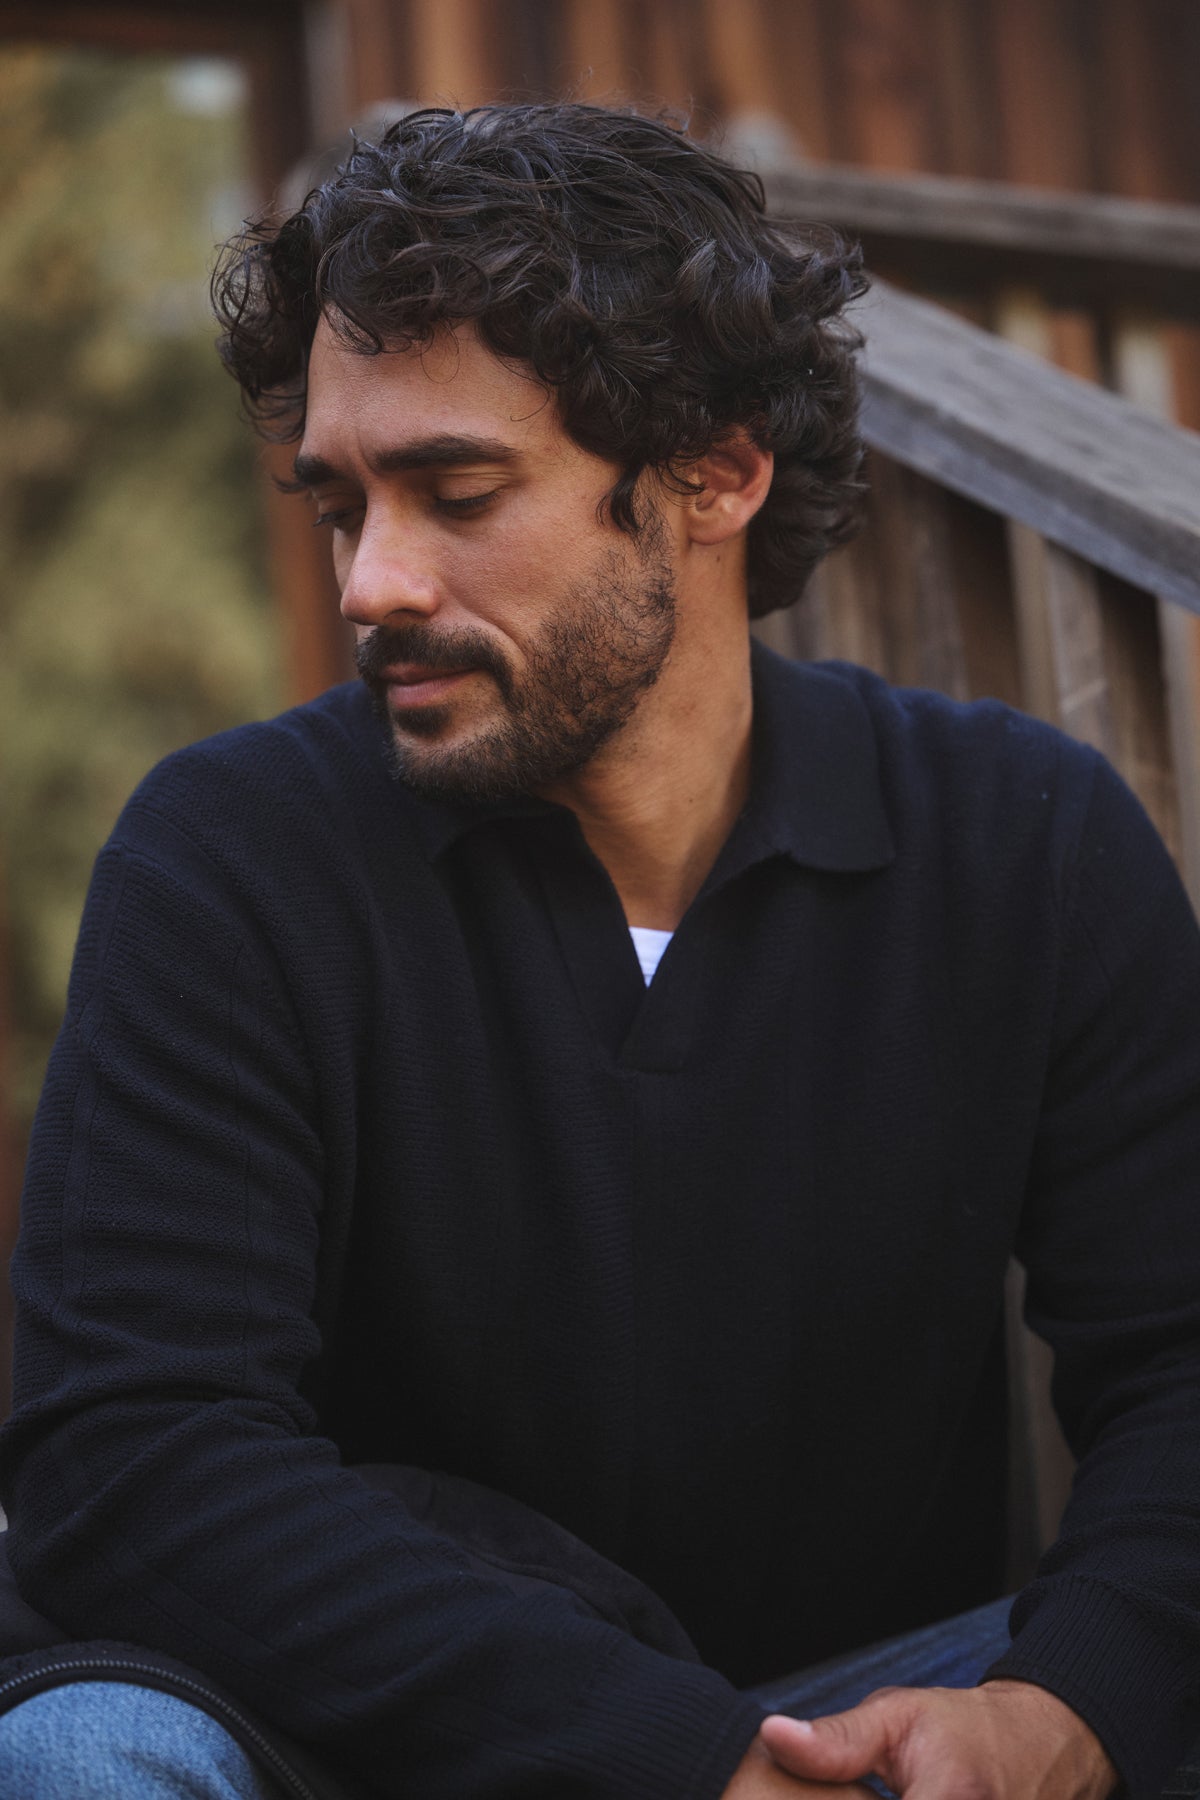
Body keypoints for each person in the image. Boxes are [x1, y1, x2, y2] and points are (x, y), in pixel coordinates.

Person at [0, 101, 1197, 1800]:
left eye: (458, 490)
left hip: (853, 1720)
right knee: (82, 1753)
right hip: (351, 1736)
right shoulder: (227, 860)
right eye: (340, 503)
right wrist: (674, 1761)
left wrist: (1065, 1704)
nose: (371, 581)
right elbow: (135, 1456)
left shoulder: (1029, 848)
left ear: (711, 474)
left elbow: (1183, 1369)